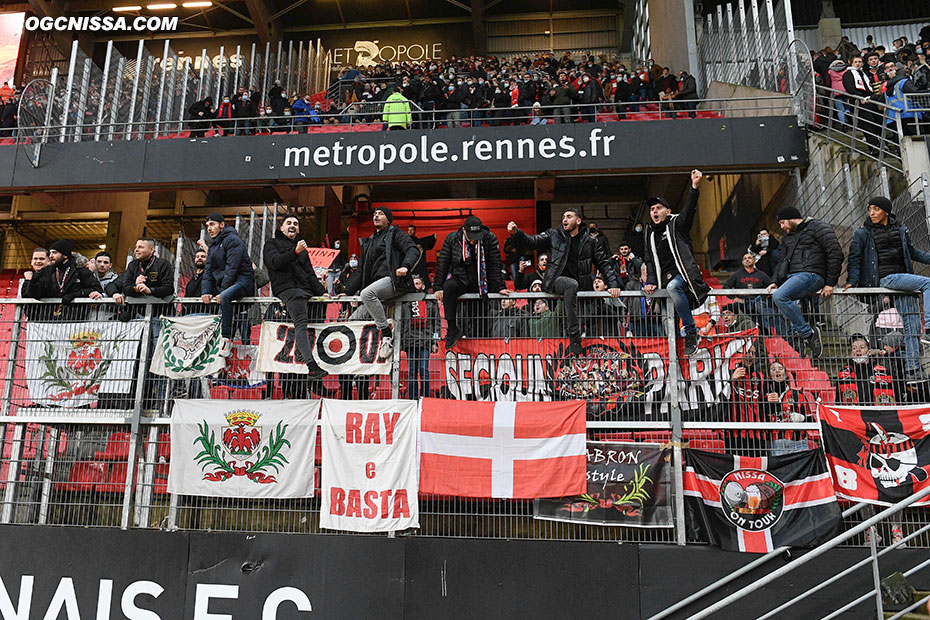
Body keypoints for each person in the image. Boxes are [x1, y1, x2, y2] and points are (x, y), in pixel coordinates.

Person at [507, 209, 621, 355]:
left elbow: (604, 264)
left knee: (578, 312)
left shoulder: (591, 241)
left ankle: (574, 356)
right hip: (555, 281)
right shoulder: (553, 235)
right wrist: (517, 233)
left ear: (578, 221)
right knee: (570, 285)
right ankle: (574, 338)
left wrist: (613, 285)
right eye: (563, 217)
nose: (564, 220)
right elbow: (532, 241)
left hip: (579, 289)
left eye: (568, 217)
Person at [845, 196, 930, 381]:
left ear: (886, 211)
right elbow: (855, 257)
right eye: (869, 209)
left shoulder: (900, 228)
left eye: (875, 209)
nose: (872, 213)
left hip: (903, 281)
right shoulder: (863, 232)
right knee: (927, 283)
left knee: (913, 325)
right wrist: (851, 281)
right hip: (885, 279)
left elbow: (913, 252)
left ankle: (913, 370)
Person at [642, 169, 710, 356]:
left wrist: (694, 187)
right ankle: (677, 359)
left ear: (668, 211)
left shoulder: (677, 225)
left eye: (659, 208)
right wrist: (651, 282)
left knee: (673, 287)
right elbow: (649, 258)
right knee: (667, 324)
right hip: (663, 281)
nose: (654, 211)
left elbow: (689, 211)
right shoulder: (649, 232)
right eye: (652, 209)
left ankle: (691, 332)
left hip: (683, 275)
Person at [767, 206, 843, 358]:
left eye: (783, 223)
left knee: (780, 297)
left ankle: (808, 334)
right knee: (776, 298)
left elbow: (835, 253)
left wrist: (830, 283)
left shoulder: (818, 227)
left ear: (792, 218)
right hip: (793, 278)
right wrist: (775, 281)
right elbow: (782, 261)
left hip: (812, 274)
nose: (781, 227)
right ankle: (800, 337)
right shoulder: (787, 238)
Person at [346, 207, 418, 360]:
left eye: (381, 214)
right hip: (376, 288)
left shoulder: (395, 234)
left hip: (393, 281)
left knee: (367, 293)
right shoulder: (370, 241)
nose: (376, 216)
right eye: (374, 214)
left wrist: (406, 266)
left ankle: (386, 334)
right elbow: (360, 270)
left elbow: (412, 250)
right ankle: (356, 359)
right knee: (352, 321)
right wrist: (346, 292)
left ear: (389, 219)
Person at [263, 215, 329, 381]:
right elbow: (274, 262)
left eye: (296, 224)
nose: (293, 226)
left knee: (317, 320)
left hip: (306, 291)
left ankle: (316, 369)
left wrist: (322, 292)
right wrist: (294, 252)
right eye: (289, 223)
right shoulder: (272, 243)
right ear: (282, 228)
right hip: (289, 289)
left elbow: (310, 274)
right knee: (301, 324)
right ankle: (311, 366)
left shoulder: (302, 250)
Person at [434, 215, 509, 348]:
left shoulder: (489, 238)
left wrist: (499, 287)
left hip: (481, 284)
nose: (474, 240)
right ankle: (452, 329)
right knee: (448, 286)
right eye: (471, 236)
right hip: (461, 279)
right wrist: (438, 287)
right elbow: (443, 264)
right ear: (464, 231)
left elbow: (495, 264)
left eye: (477, 236)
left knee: (479, 324)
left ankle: (483, 350)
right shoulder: (452, 239)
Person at [201, 213, 255, 356]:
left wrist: (222, 291)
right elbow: (208, 271)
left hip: (243, 282)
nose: (209, 229)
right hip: (228, 285)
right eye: (207, 226)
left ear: (222, 225)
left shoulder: (233, 240)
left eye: (212, 224)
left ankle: (226, 339)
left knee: (224, 297)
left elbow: (232, 268)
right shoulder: (213, 246)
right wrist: (205, 291)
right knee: (222, 298)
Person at [23, 239, 102, 319]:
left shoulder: (79, 270)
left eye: (54, 253)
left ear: (65, 255)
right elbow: (34, 295)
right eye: (50, 253)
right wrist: (33, 280)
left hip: (74, 319)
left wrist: (74, 295)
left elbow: (96, 288)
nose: (50, 256)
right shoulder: (47, 271)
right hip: (49, 320)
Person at [399, 274, 439, 400]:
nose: (415, 286)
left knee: (423, 370)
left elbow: (436, 323)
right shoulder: (405, 302)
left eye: (418, 283)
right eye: (413, 283)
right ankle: (413, 399)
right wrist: (401, 341)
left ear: (423, 285)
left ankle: (425, 399)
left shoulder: (430, 302)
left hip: (425, 340)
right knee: (412, 372)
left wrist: (435, 342)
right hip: (410, 340)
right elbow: (401, 322)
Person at [725, 340, 768, 455]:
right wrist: (731, 379)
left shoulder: (761, 377)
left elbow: (764, 404)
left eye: (753, 353)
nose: (750, 356)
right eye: (747, 352)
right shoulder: (728, 373)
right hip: (734, 432)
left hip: (757, 433)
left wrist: (770, 400)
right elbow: (720, 397)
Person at [763, 361, 812, 456]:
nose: (777, 371)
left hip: (799, 443)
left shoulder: (798, 395)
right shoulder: (764, 396)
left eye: (780, 369)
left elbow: (811, 420)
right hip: (776, 443)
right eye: (773, 369)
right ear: (769, 375)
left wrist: (802, 418)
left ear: (785, 374)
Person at [836, 335, 896, 404]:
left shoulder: (882, 372)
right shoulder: (844, 373)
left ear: (869, 351)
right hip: (853, 413)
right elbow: (838, 401)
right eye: (854, 348)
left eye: (862, 347)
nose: (858, 350)